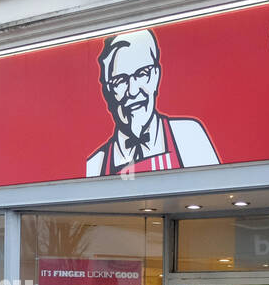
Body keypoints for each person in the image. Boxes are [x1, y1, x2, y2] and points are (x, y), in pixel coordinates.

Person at [86, 29, 220, 177]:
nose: (133, 90)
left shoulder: (188, 135)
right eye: (120, 80)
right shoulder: (96, 164)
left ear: (156, 75)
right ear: (108, 91)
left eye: (142, 74)